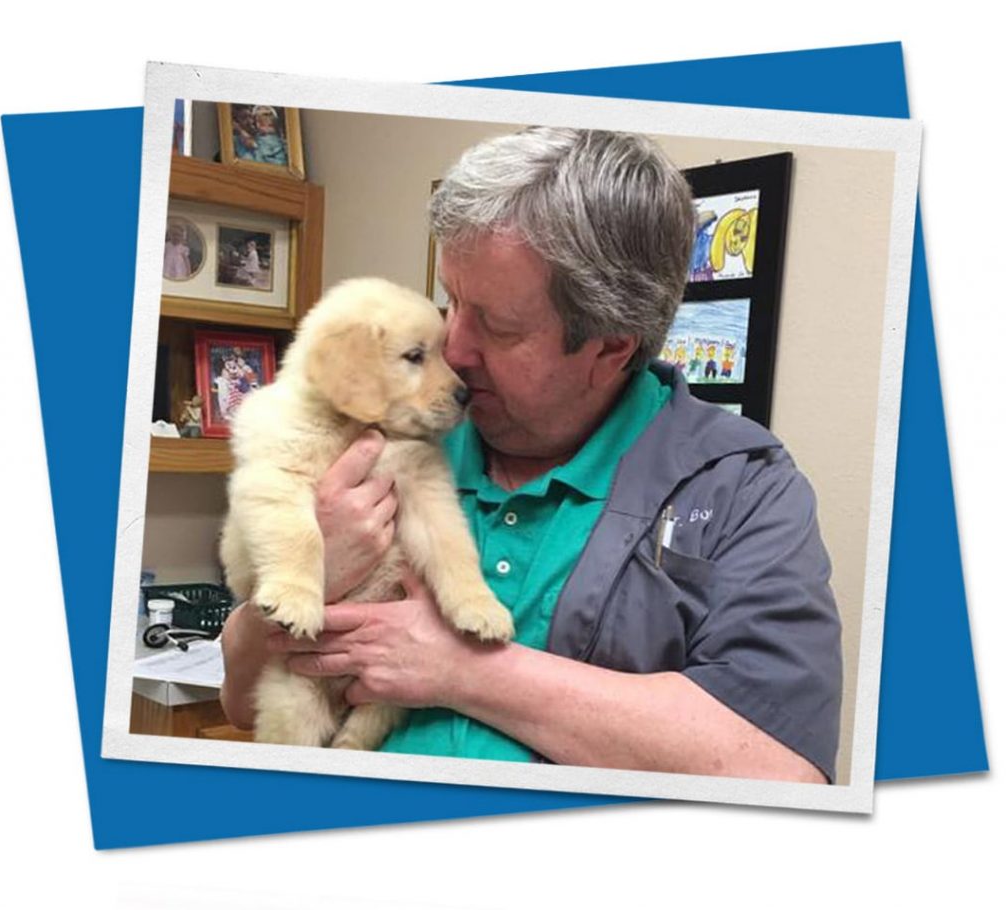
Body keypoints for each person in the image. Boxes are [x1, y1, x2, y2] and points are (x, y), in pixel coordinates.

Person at [220, 127, 842, 783]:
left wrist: (465, 670)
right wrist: (300, 579)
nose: (454, 350)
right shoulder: (390, 426)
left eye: (498, 324)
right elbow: (239, 696)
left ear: (612, 348)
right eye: (452, 299)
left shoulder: (742, 488)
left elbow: (781, 771)